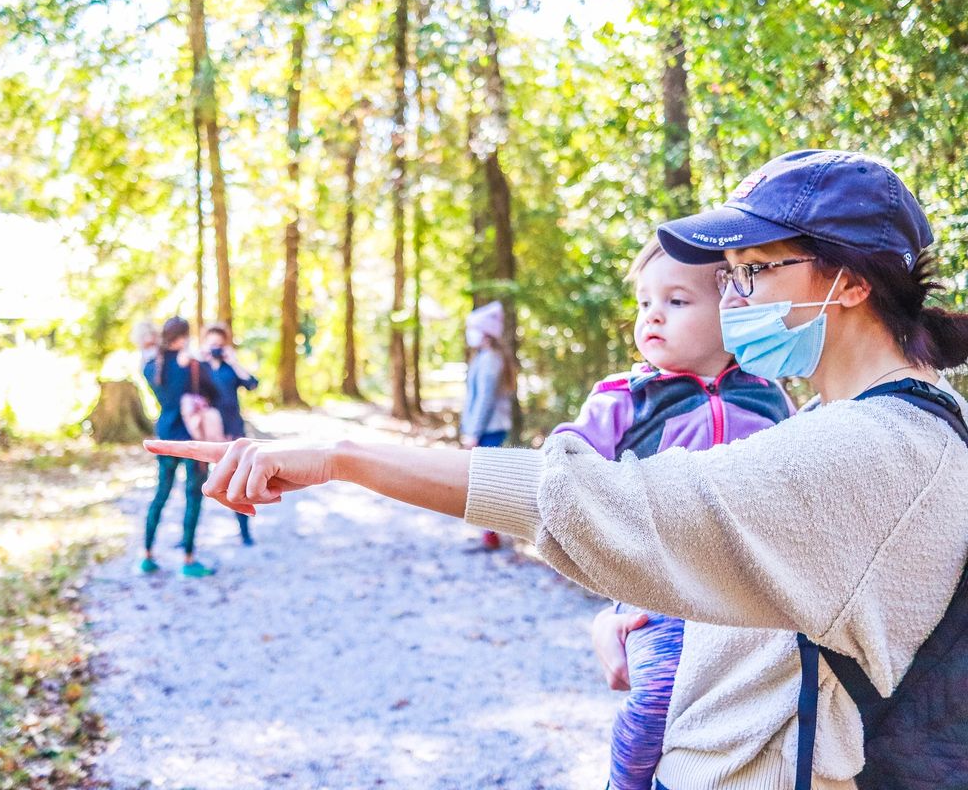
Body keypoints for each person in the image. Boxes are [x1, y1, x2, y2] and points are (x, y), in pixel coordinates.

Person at [145, 150, 968, 788]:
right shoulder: (871, 425)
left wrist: (342, 456)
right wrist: (645, 610)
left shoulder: (871, 448)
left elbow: (600, 503)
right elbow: (789, 594)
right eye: (735, 275)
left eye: (758, 271)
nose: (739, 297)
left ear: (852, 284)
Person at [553, 237, 792, 790]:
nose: (652, 315)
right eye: (643, 303)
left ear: (732, 308)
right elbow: (562, 470)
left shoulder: (769, 395)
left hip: (748, 591)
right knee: (657, 696)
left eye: (677, 301)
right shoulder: (624, 397)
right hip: (660, 591)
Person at [143, 315, 220, 578]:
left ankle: (147, 555)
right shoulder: (194, 366)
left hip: (165, 436)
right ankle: (188, 558)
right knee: (193, 496)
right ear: (185, 336)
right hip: (193, 439)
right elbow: (214, 393)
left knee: (161, 493)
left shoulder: (152, 367)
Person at [461, 300, 517, 550]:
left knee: (486, 483)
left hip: (490, 429)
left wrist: (473, 432)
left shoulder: (490, 360)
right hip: (488, 428)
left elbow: (484, 399)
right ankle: (490, 533)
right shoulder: (484, 357)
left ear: (484, 333)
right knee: (485, 480)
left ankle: (491, 535)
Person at [203, 322, 260, 546]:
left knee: (238, 481)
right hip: (207, 433)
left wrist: (233, 361)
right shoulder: (201, 367)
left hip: (233, 429)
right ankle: (190, 539)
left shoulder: (230, 368)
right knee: (198, 483)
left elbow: (252, 384)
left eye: (220, 344)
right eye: (212, 344)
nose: (216, 348)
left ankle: (245, 531)